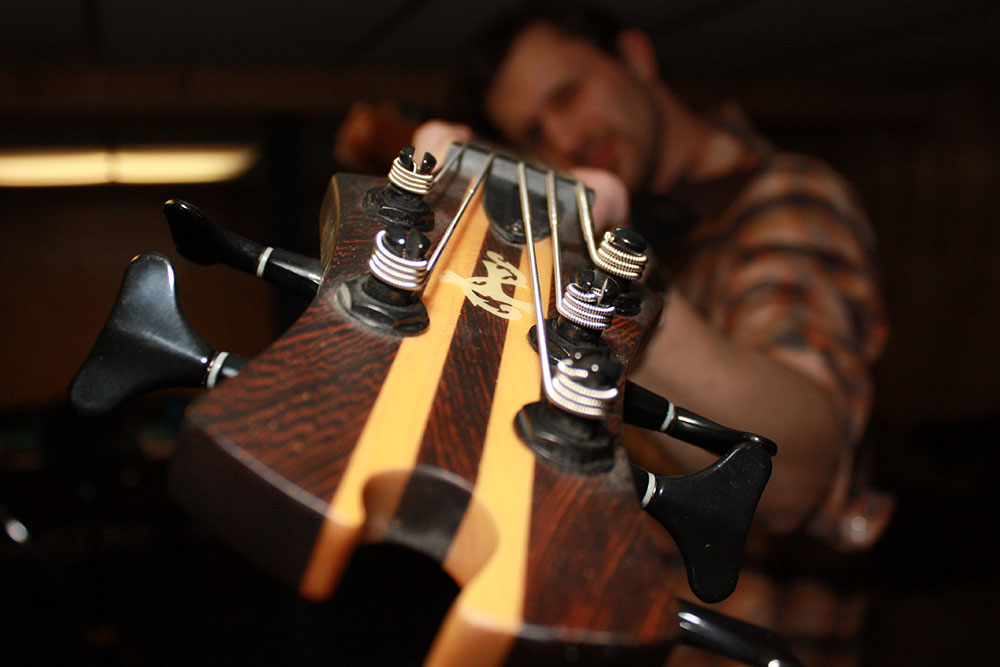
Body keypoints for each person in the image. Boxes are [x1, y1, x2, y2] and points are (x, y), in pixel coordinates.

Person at [413, 2, 892, 664]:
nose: (566, 137)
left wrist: (609, 291)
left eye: (568, 93)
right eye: (536, 131)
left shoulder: (788, 197)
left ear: (635, 57)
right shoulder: (654, 221)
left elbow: (792, 478)